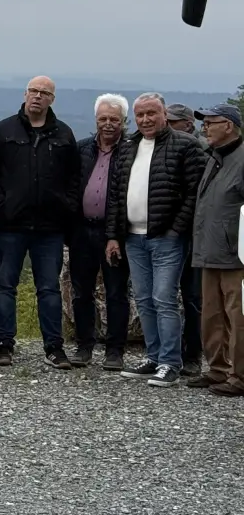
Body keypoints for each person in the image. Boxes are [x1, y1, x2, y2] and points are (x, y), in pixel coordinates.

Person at [0, 76, 79, 368]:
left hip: (50, 228)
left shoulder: (63, 134)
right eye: (33, 91)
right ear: (25, 94)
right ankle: (4, 344)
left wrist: (66, 207)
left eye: (44, 93)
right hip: (10, 225)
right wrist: (0, 205)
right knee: (5, 285)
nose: (38, 97)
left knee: (49, 288)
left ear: (52, 99)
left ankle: (54, 348)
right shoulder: (4, 130)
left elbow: (74, 177)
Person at [106, 93, 208, 389]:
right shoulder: (127, 147)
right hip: (133, 238)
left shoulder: (185, 145)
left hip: (167, 238)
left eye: (152, 113)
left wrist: (176, 230)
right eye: (140, 115)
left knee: (164, 298)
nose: (146, 120)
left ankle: (170, 363)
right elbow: (116, 196)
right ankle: (154, 357)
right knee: (144, 299)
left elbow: (194, 194)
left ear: (163, 113)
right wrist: (113, 235)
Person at [70, 94, 132, 370]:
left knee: (116, 291)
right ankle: (84, 346)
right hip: (82, 230)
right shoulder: (82, 149)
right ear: (95, 120)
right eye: (103, 119)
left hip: (115, 233)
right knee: (81, 291)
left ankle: (115, 350)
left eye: (114, 120)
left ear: (123, 122)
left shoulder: (130, 151)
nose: (108, 124)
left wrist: (115, 235)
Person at [188, 104, 244, 396]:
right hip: (208, 251)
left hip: (236, 256)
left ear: (230, 126)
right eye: (204, 123)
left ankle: (239, 376)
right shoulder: (215, 157)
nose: (205, 128)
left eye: (211, 123)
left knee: (237, 317)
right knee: (211, 314)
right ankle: (218, 369)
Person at [168, 103, 205, 373]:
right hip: (168, 233)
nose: (167, 126)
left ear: (188, 124)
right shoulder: (164, 149)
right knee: (165, 296)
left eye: (173, 122)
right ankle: (168, 353)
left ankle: (192, 354)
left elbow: (196, 197)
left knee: (192, 296)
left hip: (193, 236)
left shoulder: (202, 150)